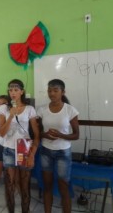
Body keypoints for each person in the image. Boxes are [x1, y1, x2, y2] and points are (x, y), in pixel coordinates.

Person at [37, 79, 79, 213]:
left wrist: (61, 135)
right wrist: (45, 135)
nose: (52, 93)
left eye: (55, 90)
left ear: (63, 92)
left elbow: (76, 135)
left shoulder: (70, 110)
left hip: (63, 153)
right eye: (49, 90)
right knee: (47, 186)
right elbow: (37, 132)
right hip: (45, 151)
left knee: (63, 187)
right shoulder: (42, 109)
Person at [0, 79, 40, 213]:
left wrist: (32, 154)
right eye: (10, 90)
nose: (13, 93)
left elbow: (37, 134)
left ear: (22, 91)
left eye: (16, 90)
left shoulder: (30, 109)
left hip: (24, 148)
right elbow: (2, 133)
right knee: (9, 186)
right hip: (9, 149)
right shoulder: (4, 108)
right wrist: (11, 116)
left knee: (24, 185)